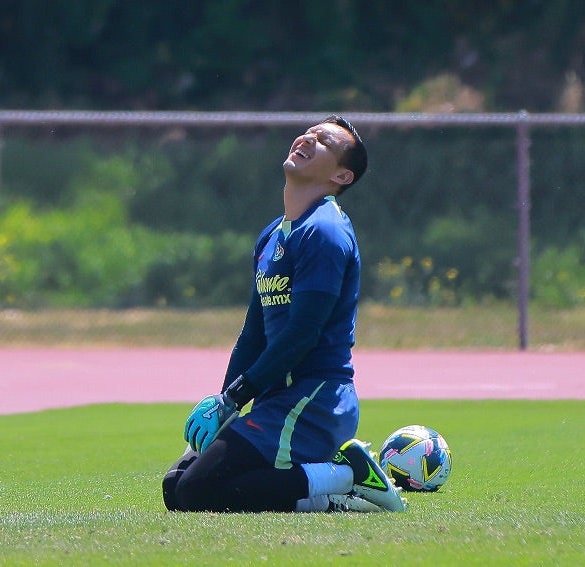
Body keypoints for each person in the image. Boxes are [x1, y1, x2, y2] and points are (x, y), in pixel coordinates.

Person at [162, 115, 407, 513]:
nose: (308, 139)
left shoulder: (325, 232)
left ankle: (346, 477)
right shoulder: (274, 233)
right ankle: (329, 484)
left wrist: (236, 396)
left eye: (324, 141)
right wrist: (225, 405)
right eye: (309, 132)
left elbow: (301, 336)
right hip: (276, 401)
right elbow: (253, 336)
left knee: (197, 492)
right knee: (176, 486)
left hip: (313, 402)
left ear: (342, 176)